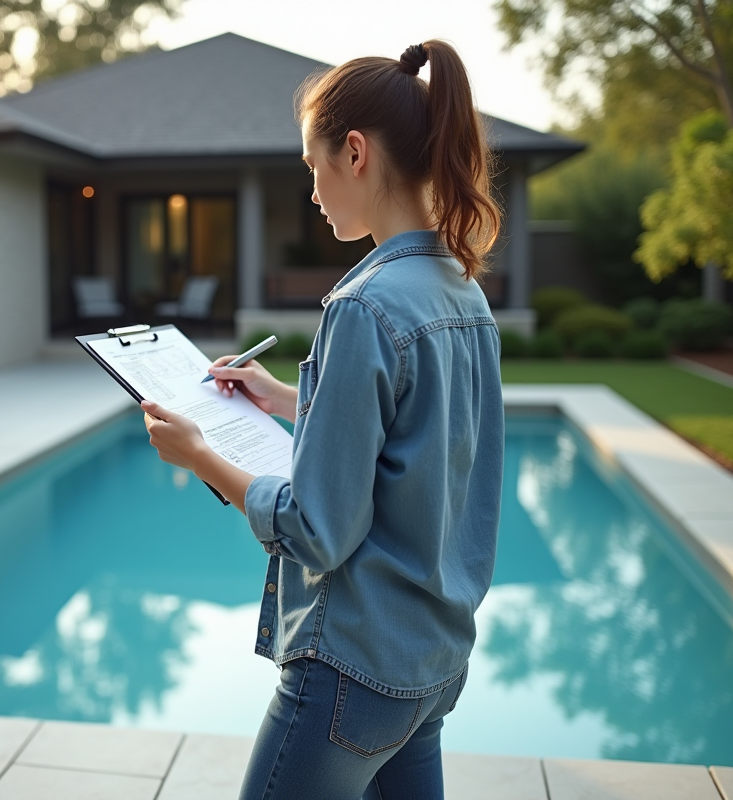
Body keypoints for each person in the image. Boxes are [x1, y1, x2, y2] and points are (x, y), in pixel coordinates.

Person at [140, 40, 504, 800]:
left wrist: (199, 454)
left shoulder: (364, 304)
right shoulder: (462, 292)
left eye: (314, 167)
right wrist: (284, 398)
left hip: (353, 671)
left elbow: (316, 529)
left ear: (357, 153)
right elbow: (421, 435)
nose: (312, 191)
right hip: (431, 667)